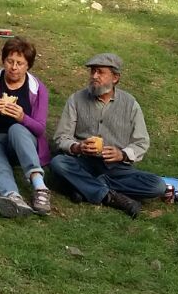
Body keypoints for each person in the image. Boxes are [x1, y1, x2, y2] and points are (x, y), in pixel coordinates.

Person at [49, 53, 158, 219]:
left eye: (100, 72)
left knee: (157, 186)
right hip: (83, 162)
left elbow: (141, 142)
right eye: (92, 71)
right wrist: (78, 147)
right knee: (58, 163)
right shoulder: (76, 99)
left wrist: (122, 154)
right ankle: (110, 196)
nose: (94, 76)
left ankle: (83, 187)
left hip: (116, 168)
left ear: (115, 78)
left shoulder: (130, 104)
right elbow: (61, 137)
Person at [0, 37, 52, 218]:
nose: (14, 67)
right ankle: (12, 198)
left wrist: (22, 118)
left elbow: (39, 129)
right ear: (3, 61)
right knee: (0, 164)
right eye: (10, 61)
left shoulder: (38, 89)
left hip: (22, 142)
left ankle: (40, 188)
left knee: (16, 129)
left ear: (28, 66)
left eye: (20, 63)